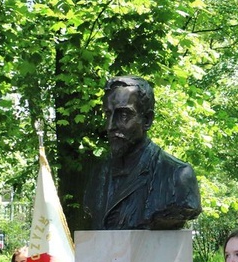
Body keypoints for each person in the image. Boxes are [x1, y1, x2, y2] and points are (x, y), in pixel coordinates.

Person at [83, 75, 202, 230]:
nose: (110, 126)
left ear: (147, 120)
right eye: (108, 114)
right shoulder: (98, 174)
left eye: (124, 115)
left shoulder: (177, 175)